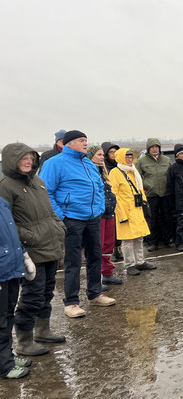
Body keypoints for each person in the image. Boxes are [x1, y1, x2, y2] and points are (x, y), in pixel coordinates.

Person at [40, 130, 116, 318]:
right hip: (71, 219)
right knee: (73, 261)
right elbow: (46, 192)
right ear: (69, 143)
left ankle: (95, 293)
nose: (85, 144)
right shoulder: (54, 163)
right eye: (81, 141)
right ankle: (72, 302)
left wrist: (98, 209)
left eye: (86, 140)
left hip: (92, 217)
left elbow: (98, 186)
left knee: (95, 256)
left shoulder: (88, 163)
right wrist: (62, 216)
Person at [0, 143, 66, 357]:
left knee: (47, 291)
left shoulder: (37, 182)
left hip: (50, 244)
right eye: (23, 158)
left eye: (30, 158)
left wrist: (59, 227)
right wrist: (29, 237)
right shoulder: (6, 186)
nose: (28, 162)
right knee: (32, 294)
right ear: (12, 161)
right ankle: (24, 340)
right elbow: (5, 222)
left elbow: (49, 211)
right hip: (31, 249)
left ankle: (43, 330)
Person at [0, 197, 34, 379]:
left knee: (8, 314)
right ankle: (4, 366)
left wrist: (24, 256)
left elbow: (12, 236)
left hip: (10, 268)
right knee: (0, 321)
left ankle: (8, 356)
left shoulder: (2, 203)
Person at [108, 148, 157, 275]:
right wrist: (121, 214)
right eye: (127, 157)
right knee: (128, 240)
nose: (130, 160)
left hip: (137, 210)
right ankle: (129, 264)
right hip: (125, 212)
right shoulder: (115, 172)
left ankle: (140, 262)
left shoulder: (133, 171)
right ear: (121, 158)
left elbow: (140, 191)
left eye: (131, 157)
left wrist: (145, 206)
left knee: (139, 238)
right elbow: (114, 195)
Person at [87, 146, 123, 287]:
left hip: (109, 212)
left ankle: (107, 274)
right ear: (91, 157)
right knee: (97, 246)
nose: (102, 157)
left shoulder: (103, 171)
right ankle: (96, 279)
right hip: (98, 214)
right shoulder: (90, 171)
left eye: (103, 154)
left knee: (108, 244)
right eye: (99, 155)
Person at [136, 138, 174, 251]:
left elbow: (171, 175)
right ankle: (153, 242)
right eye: (152, 147)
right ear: (148, 149)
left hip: (165, 193)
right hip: (151, 195)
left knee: (167, 218)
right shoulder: (142, 161)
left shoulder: (166, 159)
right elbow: (136, 177)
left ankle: (168, 240)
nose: (154, 149)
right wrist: (146, 186)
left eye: (156, 147)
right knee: (152, 219)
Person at [101, 142, 123, 262]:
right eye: (111, 152)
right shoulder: (105, 168)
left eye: (115, 152)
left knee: (119, 226)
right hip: (109, 201)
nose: (114, 154)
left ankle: (118, 248)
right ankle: (112, 251)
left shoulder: (120, 166)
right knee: (111, 228)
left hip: (120, 199)